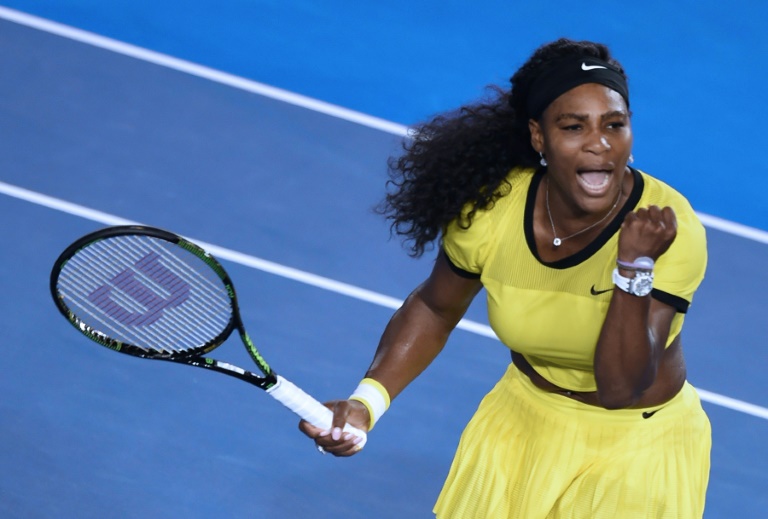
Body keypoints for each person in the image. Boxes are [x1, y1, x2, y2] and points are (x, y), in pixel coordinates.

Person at [299, 37, 711, 518]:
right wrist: (367, 403)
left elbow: (623, 386)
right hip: (520, 425)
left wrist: (634, 267)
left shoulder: (666, 226)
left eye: (614, 125)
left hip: (636, 446)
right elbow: (436, 307)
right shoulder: (492, 210)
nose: (599, 143)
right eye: (574, 127)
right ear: (539, 137)